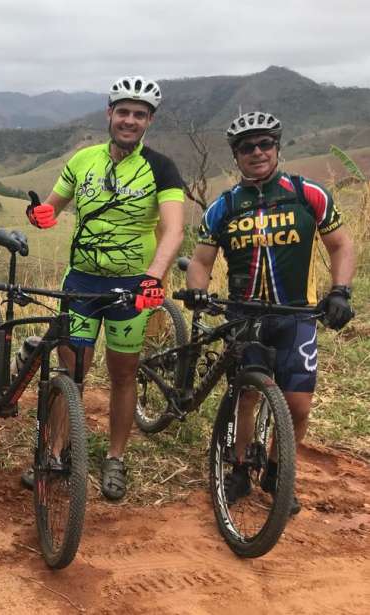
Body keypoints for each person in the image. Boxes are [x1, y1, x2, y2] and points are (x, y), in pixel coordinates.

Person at [184, 111, 355, 515]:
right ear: (236, 155)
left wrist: (341, 292)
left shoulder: (307, 194)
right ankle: (240, 467)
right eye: (247, 147)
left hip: (296, 315)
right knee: (245, 394)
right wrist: (197, 293)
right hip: (244, 315)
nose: (257, 152)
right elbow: (201, 261)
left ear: (277, 147)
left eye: (264, 144)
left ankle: (278, 472)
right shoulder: (224, 206)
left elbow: (341, 246)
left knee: (297, 406)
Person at [23, 75, 185, 499]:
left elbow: (173, 230)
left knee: (123, 373)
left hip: (132, 287)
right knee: (71, 369)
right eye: (123, 112)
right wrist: (40, 215)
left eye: (139, 114)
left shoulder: (161, 167)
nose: (130, 120)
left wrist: (153, 277)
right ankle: (56, 450)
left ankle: (115, 457)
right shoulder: (82, 161)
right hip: (81, 281)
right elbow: (53, 208)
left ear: (149, 120)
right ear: (109, 113)